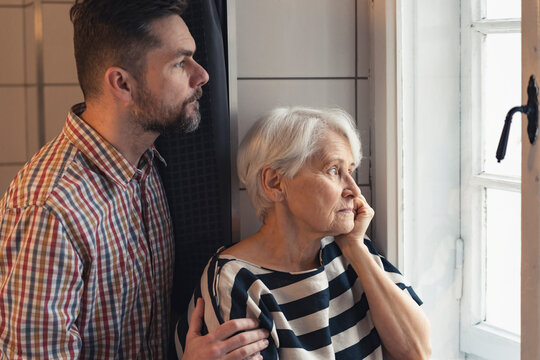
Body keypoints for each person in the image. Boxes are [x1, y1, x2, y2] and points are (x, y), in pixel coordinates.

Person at [0, 0, 269, 359]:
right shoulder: (48, 212)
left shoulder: (147, 166)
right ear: (122, 83)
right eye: (179, 62)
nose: (202, 74)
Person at [176, 107, 432, 359]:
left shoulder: (350, 249)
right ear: (274, 183)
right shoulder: (236, 282)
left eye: (350, 171)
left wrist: (356, 250)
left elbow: (417, 351)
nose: (353, 190)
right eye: (334, 170)